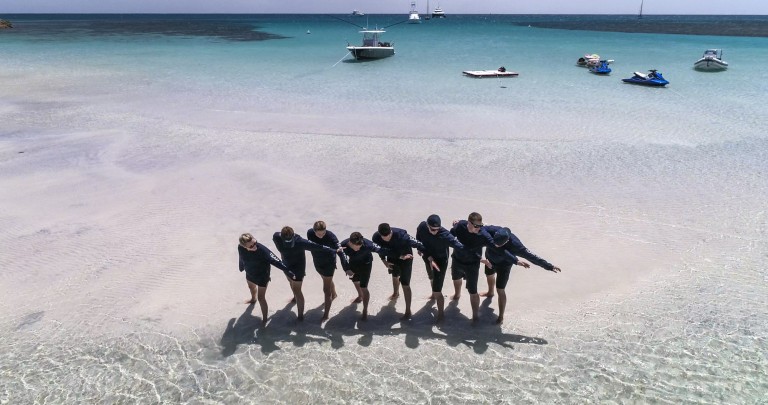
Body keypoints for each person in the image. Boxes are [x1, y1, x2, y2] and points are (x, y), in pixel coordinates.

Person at [479, 225, 563, 300]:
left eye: (499, 245)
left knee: (500, 289)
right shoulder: (493, 230)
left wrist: (549, 266)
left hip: (504, 265)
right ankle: (490, 292)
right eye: (494, 243)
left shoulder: (517, 246)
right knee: (489, 275)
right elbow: (480, 229)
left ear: (506, 241)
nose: (496, 247)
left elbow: (533, 257)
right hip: (489, 259)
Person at [273, 226, 336, 321]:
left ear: (293, 236)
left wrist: (334, 250)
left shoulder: (300, 241)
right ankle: (294, 298)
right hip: (286, 265)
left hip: (298, 267)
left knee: (297, 290)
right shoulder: (276, 237)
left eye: (290, 241)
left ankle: (300, 316)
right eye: (286, 241)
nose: (288, 244)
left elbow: (318, 247)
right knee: (290, 282)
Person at [372, 223, 428, 320]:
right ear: (380, 234)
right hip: (392, 257)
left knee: (405, 283)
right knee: (394, 276)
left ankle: (408, 310)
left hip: (406, 257)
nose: (386, 238)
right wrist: (384, 260)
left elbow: (418, 243)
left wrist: (429, 255)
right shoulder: (376, 237)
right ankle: (396, 293)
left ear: (391, 231)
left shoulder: (402, 235)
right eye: (383, 237)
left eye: (388, 235)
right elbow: (379, 249)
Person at [415, 214, 465, 323]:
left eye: (437, 229)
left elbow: (461, 247)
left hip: (441, 262)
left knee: (438, 290)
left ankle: (441, 314)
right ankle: (433, 295)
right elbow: (418, 233)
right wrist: (419, 247)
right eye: (432, 229)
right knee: (431, 277)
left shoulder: (446, 235)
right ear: (427, 225)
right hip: (427, 256)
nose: (435, 231)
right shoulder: (422, 226)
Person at [237, 233, 295, 324]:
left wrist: (289, 271)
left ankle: (264, 319)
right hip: (250, 274)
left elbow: (276, 261)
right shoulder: (240, 248)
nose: (255, 246)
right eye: (251, 246)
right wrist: (241, 266)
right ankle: (253, 299)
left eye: (255, 243)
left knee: (261, 298)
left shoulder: (262, 250)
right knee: (251, 288)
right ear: (244, 246)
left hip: (262, 276)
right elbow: (241, 257)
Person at [450, 212, 495, 323]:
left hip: (473, 264)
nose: (478, 229)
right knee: (456, 279)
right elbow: (449, 236)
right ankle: (457, 294)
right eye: (476, 226)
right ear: (469, 223)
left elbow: (495, 244)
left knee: (473, 291)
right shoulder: (460, 226)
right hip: (457, 260)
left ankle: (475, 316)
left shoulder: (482, 234)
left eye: (480, 226)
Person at [340, 232, 389, 321]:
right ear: (350, 243)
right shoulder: (343, 245)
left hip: (366, 264)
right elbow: (342, 257)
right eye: (357, 247)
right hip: (353, 263)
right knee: (355, 281)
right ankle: (360, 296)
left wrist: (399, 255)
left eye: (360, 247)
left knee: (363, 287)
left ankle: (365, 310)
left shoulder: (368, 244)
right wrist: (346, 268)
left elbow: (382, 250)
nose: (358, 249)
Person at [306, 220, 350, 321]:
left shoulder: (331, 236)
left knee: (326, 289)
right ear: (314, 231)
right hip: (317, 262)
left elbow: (340, 251)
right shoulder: (310, 233)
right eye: (319, 234)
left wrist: (346, 268)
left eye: (323, 233)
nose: (321, 236)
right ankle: (334, 294)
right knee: (326, 280)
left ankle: (326, 315)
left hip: (328, 264)